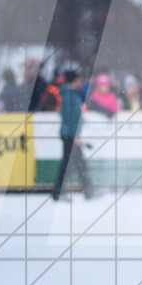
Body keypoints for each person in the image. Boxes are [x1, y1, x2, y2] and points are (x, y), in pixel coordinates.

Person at [51, 70, 95, 201]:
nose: (80, 82)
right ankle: (60, 192)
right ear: (74, 81)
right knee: (70, 165)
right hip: (70, 135)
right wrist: (75, 135)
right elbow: (70, 117)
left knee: (77, 164)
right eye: (79, 80)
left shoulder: (71, 94)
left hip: (70, 134)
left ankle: (87, 191)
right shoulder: (70, 95)